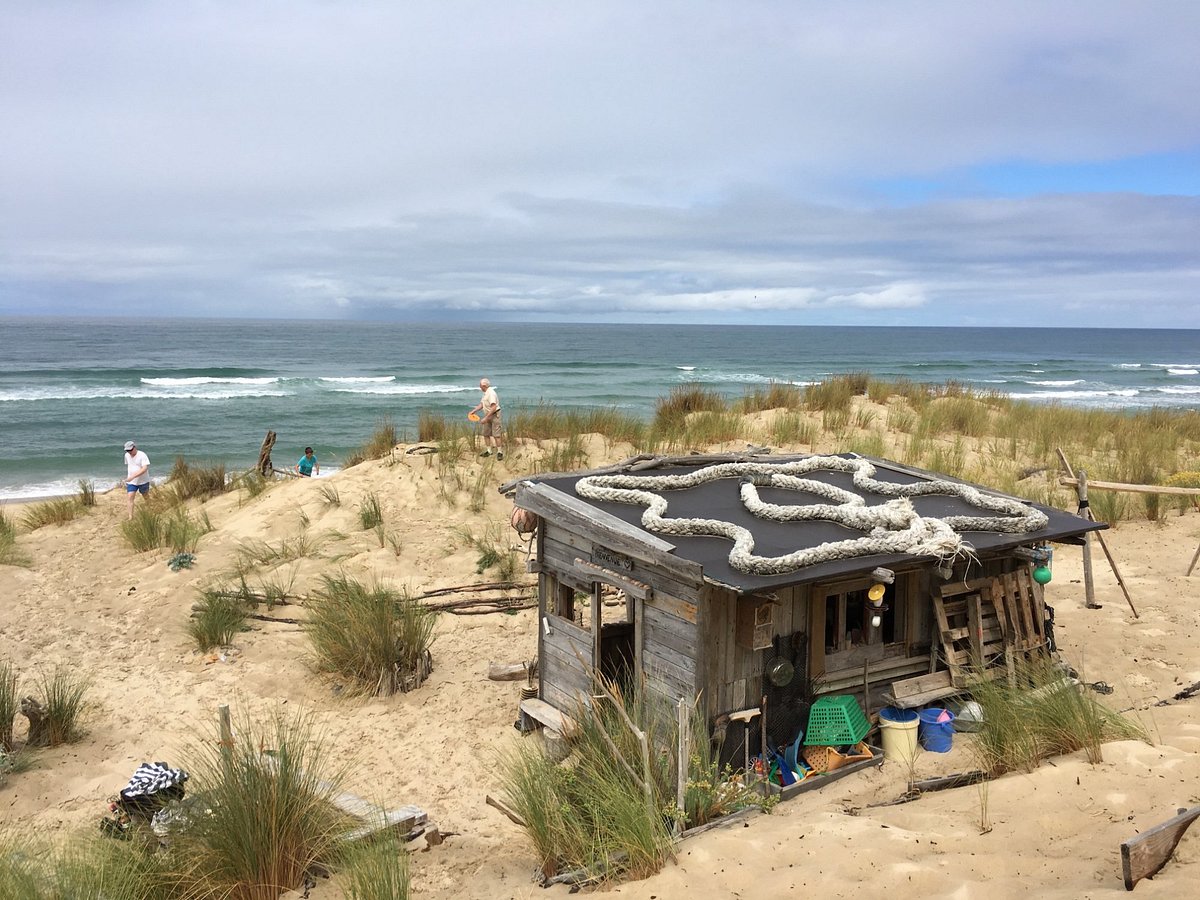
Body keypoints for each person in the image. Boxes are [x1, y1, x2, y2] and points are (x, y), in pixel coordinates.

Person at [470, 377, 504, 460]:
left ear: (484, 385)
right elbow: (482, 404)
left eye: (480, 385)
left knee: (496, 435)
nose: (479, 387)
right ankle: (489, 451)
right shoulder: (485, 393)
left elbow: (493, 407)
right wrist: (473, 411)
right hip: (488, 415)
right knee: (486, 434)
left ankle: (500, 452)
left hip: (495, 415)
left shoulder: (491, 393)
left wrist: (485, 418)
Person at [122, 440, 150, 519]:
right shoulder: (127, 455)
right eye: (127, 450)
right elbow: (130, 465)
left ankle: (150, 509)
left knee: (145, 496)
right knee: (130, 497)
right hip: (132, 482)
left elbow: (144, 468)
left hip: (143, 481)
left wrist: (133, 476)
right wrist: (130, 477)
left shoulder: (142, 455)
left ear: (134, 447)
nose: (129, 452)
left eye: (130, 450)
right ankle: (130, 517)